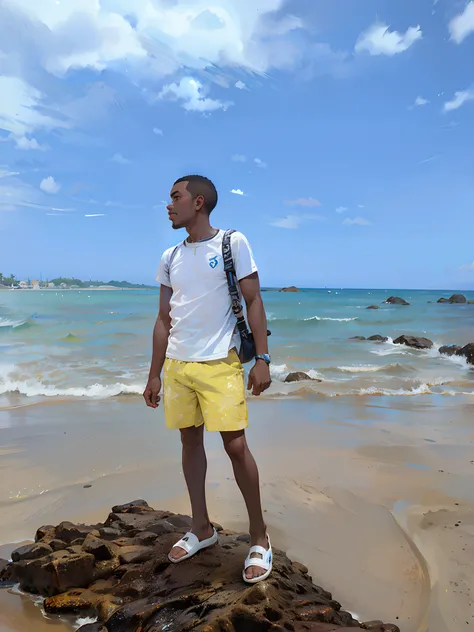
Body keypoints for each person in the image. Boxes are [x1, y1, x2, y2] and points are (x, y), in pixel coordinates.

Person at [143, 175, 273, 583]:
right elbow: (164, 319)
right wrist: (154, 374)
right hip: (179, 366)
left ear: (198, 202)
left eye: (175, 197)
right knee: (189, 441)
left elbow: (253, 300)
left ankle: (260, 537)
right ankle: (201, 527)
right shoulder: (169, 256)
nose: (169, 204)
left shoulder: (232, 243)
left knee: (235, 446)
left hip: (220, 362)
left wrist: (263, 359)